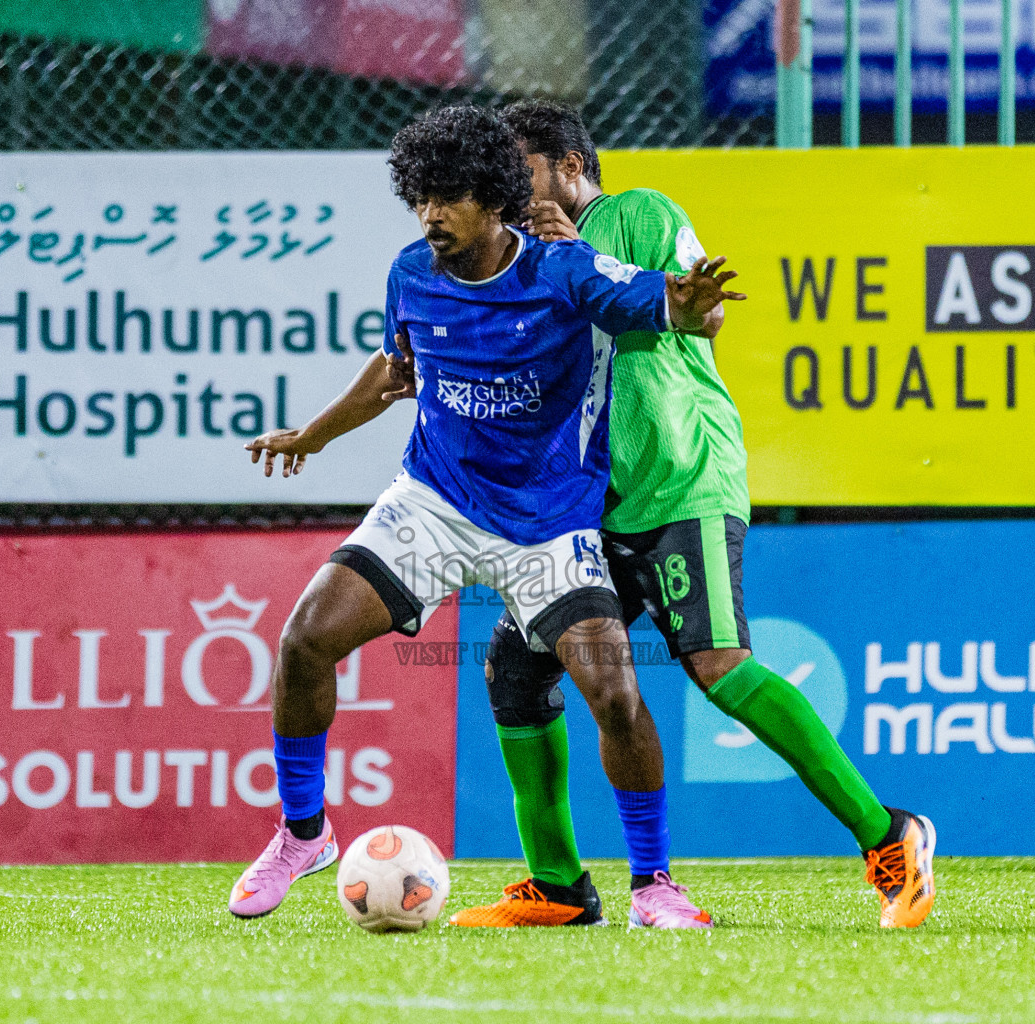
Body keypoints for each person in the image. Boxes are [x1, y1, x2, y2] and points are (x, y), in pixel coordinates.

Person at [225, 105, 742, 929]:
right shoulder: (410, 273)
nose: (431, 214)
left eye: (450, 197)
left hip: (548, 521)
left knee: (614, 693)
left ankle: (653, 886)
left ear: (496, 199)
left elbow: (665, 305)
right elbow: (392, 369)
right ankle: (303, 834)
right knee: (304, 639)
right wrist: (311, 436)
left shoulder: (564, 271)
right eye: (421, 197)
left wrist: (690, 304)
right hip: (434, 501)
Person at [436, 100, 936, 930]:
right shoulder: (519, 258)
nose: (507, 190)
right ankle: (559, 886)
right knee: (516, 669)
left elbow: (703, 311)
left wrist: (580, 253)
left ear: (568, 165)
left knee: (719, 667)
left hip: (677, 479)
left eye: (519, 170)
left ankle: (889, 835)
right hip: (584, 504)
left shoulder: (638, 214)